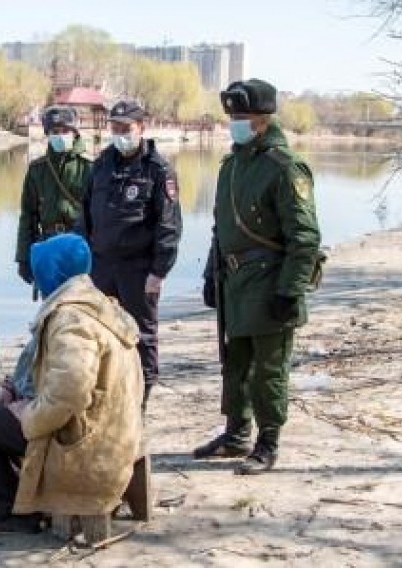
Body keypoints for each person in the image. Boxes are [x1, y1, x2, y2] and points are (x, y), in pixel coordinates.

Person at [0, 234, 144, 532]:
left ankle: (13, 514)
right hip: (111, 434)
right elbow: (61, 376)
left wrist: (28, 415)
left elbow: (72, 390)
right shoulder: (102, 306)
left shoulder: (70, 319)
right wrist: (13, 390)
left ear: (51, 274)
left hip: (85, 447)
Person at [194, 79, 321, 475]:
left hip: (270, 283)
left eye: (242, 117)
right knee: (235, 363)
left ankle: (268, 443)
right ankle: (235, 434)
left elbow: (305, 238)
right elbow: (221, 228)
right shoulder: (233, 165)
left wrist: (289, 290)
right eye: (232, 117)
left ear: (264, 120)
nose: (235, 123)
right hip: (235, 282)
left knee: (268, 369)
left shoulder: (284, 167)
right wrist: (210, 276)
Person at [80, 100, 182, 408]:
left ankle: (139, 404)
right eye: (115, 128)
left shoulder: (158, 170)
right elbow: (84, 216)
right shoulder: (101, 165)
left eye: (126, 129)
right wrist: (81, 262)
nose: (119, 134)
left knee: (142, 337)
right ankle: (104, 398)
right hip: (101, 267)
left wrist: (159, 272)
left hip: (138, 270)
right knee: (98, 334)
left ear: (141, 128)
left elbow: (169, 225)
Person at [15, 106, 92, 287]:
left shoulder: (91, 167)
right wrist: (23, 257)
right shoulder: (37, 169)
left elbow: (100, 216)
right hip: (48, 246)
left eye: (65, 130)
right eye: (55, 131)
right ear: (47, 134)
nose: (60, 135)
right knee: (51, 305)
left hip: (80, 247)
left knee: (80, 303)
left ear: (75, 132)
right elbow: (28, 215)